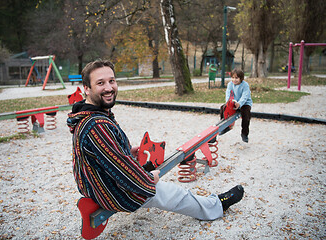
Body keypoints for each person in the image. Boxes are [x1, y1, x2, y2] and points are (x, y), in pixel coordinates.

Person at [67, 59, 244, 222]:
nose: (108, 87)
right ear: (86, 89)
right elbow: (124, 172)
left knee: (158, 181)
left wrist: (127, 151)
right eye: (100, 83)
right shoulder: (96, 125)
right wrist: (149, 179)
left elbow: (106, 155)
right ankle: (216, 206)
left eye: (111, 81)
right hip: (109, 191)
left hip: (96, 183)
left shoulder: (91, 114)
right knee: (173, 194)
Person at [220, 68, 253, 143]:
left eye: (236, 78)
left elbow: (245, 96)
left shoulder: (245, 85)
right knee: (223, 108)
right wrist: (228, 103)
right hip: (234, 102)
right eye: (233, 77)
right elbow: (228, 94)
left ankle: (244, 134)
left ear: (241, 78)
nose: (234, 80)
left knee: (246, 115)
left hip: (244, 103)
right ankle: (225, 127)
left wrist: (240, 103)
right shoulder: (230, 84)